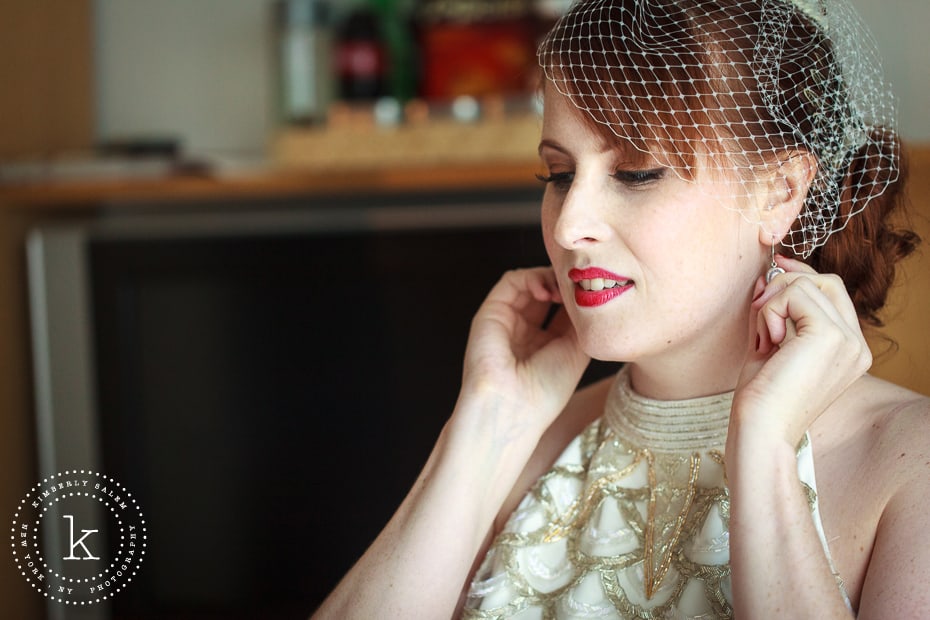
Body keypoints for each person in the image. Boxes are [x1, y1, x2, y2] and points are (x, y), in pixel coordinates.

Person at [313, 0, 930, 617]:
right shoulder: (525, 442)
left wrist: (765, 447)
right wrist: (487, 424)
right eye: (558, 174)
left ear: (781, 192)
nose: (569, 226)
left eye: (637, 173)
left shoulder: (910, 465)